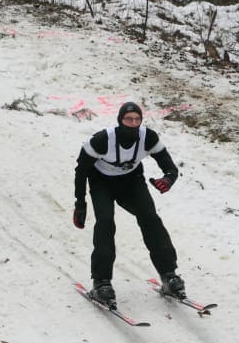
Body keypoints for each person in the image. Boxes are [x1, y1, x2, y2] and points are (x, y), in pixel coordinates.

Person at [73, 102, 185, 309]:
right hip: (101, 183)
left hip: (131, 182)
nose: (132, 124)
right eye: (128, 119)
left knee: (150, 219)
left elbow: (170, 167)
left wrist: (168, 180)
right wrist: (80, 202)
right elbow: (81, 170)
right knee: (105, 223)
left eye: (137, 119)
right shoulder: (102, 140)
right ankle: (101, 283)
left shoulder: (148, 137)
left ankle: (169, 276)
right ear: (120, 120)